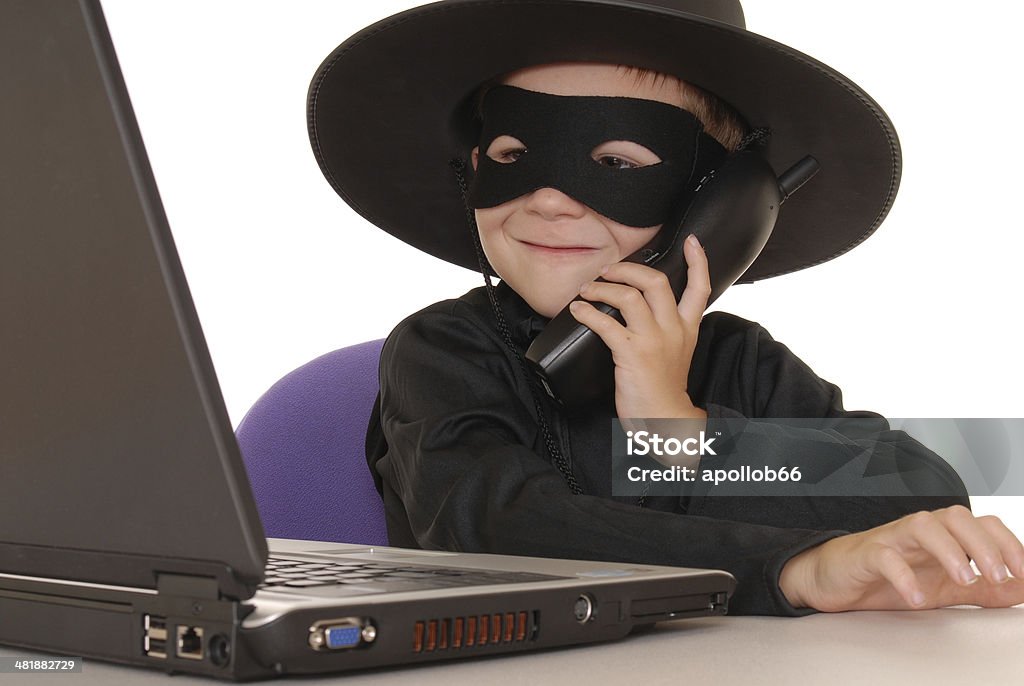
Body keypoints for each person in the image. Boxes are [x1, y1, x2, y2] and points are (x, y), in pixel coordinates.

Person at [306, 0, 1024, 615]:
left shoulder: (740, 362)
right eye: (513, 153)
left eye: (615, 165)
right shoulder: (444, 351)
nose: (549, 198)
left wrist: (680, 432)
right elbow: (497, 530)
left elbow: (921, 491)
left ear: (718, 207)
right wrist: (795, 570)